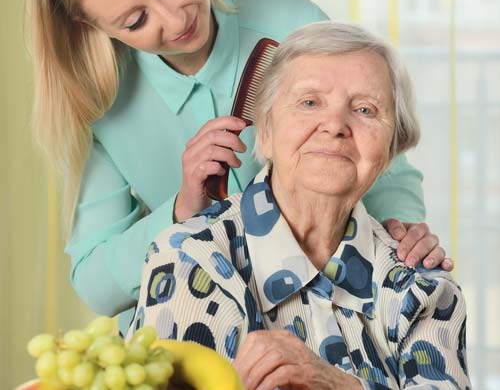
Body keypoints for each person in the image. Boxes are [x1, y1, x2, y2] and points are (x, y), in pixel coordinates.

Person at [24, 0, 450, 334]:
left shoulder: (290, 24)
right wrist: (182, 210)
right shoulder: (104, 105)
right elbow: (97, 285)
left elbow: (380, 155)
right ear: (94, 28)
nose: (174, 20)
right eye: (136, 21)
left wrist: (401, 230)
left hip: (325, 323)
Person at [130, 22, 470, 389]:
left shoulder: (422, 286)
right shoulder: (190, 260)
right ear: (266, 132)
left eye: (366, 110)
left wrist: (339, 385)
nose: (335, 125)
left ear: (390, 152)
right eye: (309, 102)